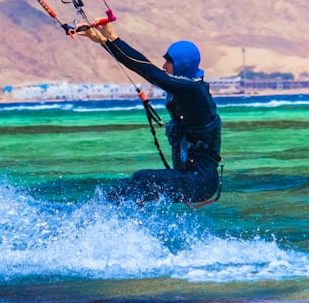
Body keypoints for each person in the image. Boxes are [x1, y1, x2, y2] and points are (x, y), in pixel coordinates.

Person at [78, 22, 221, 205]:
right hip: (190, 177)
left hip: (200, 181)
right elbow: (147, 68)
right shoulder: (187, 87)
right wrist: (107, 40)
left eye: (168, 61)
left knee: (143, 179)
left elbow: (147, 69)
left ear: (182, 64)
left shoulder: (192, 90)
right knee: (127, 185)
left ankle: (113, 222)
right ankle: (102, 219)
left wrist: (110, 41)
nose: (164, 65)